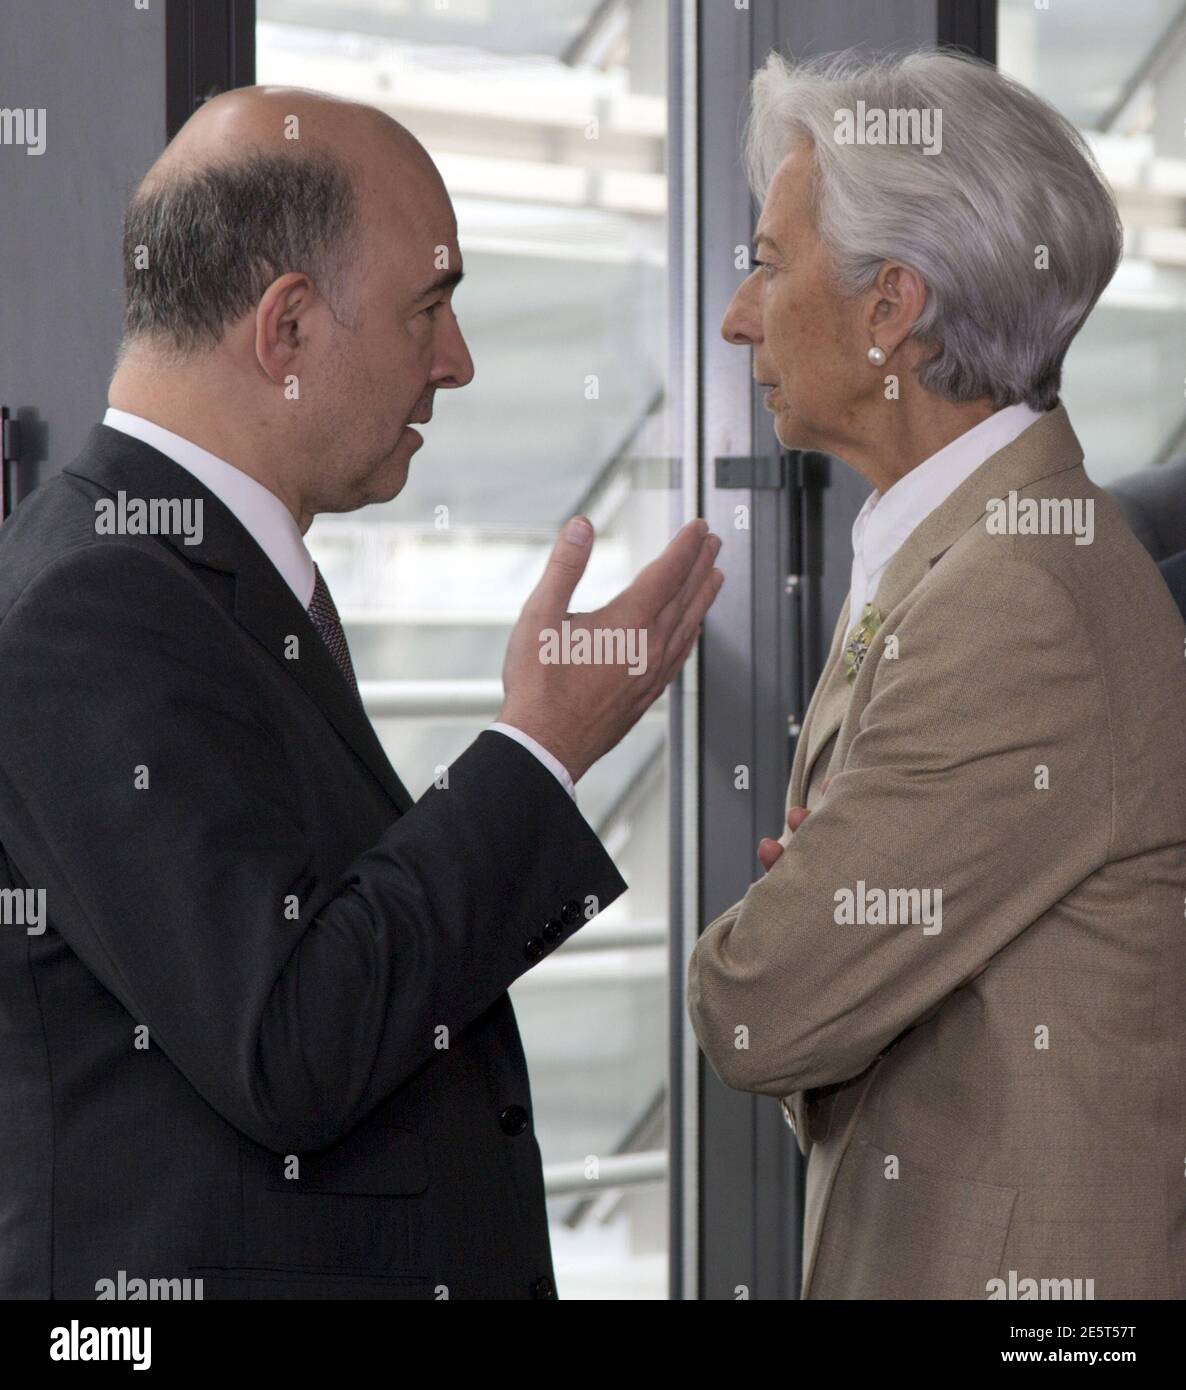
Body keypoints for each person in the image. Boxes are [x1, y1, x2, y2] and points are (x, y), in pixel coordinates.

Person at [0, 86, 722, 1300]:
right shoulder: (99, 599)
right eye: (428, 309)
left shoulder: (170, 570)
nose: (458, 361)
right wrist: (537, 749)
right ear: (285, 331)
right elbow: (290, 1043)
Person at [688, 49, 1186, 1300]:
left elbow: (761, 1001)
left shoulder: (1012, 600)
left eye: (764, 261)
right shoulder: (981, 555)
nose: (738, 314)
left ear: (888, 309)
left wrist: (802, 928)